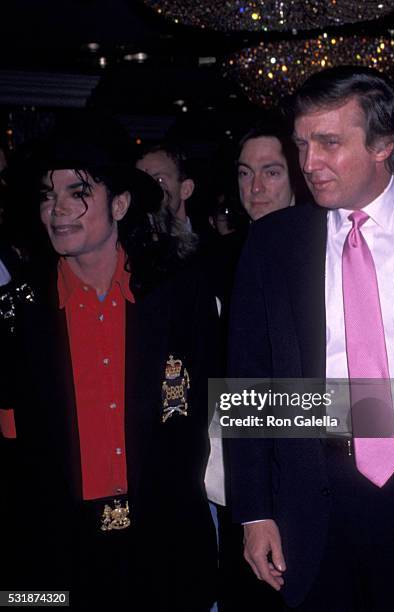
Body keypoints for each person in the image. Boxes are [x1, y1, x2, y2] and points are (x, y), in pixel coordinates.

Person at [228, 66, 394, 612]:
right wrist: (254, 511)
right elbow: (249, 380)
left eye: (329, 142)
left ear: (383, 145)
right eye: (303, 143)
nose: (308, 163)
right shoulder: (273, 244)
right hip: (312, 494)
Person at [1, 113, 218, 610]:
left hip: (166, 553)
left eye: (77, 192)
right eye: (46, 194)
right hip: (52, 564)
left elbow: (220, 409)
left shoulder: (179, 298)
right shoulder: (14, 314)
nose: (56, 210)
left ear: (119, 203)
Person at [236, 121, 309, 221]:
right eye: (245, 173)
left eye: (271, 173)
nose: (256, 188)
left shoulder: (324, 234)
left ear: (295, 177)